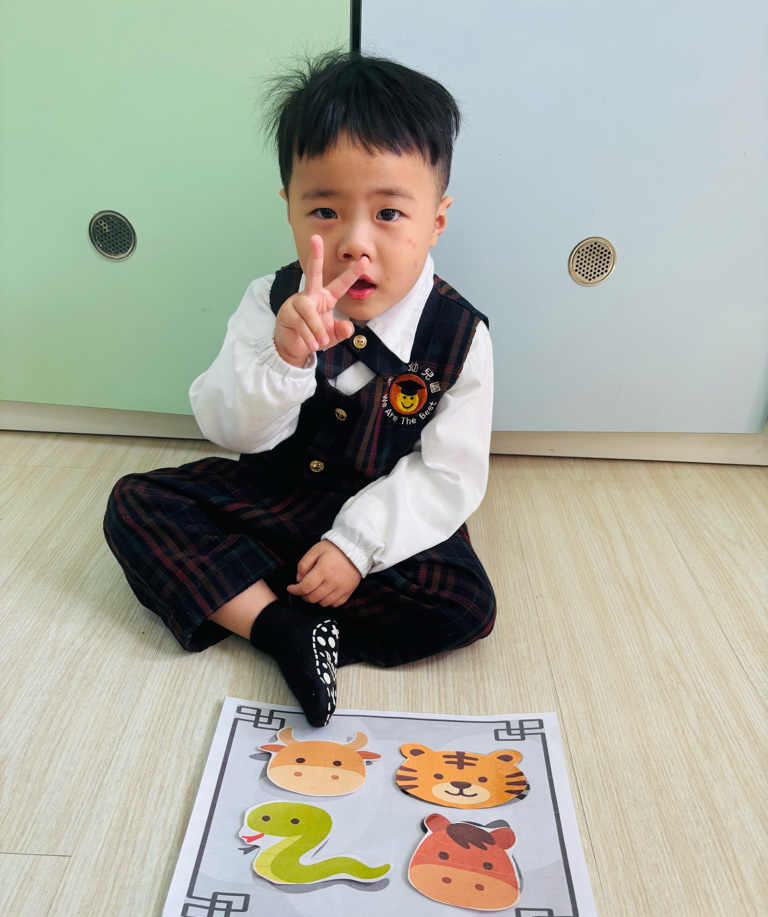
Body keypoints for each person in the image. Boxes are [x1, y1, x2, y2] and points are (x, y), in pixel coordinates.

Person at [104, 50, 496, 727]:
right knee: (135, 505)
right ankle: (282, 628)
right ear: (288, 208)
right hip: (274, 493)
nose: (354, 243)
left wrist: (356, 546)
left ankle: (258, 603)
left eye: (389, 213)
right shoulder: (271, 299)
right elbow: (227, 428)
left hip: (382, 512)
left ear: (436, 220)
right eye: (324, 210)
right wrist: (283, 358)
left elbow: (448, 476)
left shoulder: (460, 336)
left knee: (464, 603)